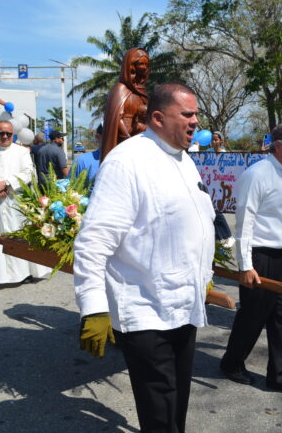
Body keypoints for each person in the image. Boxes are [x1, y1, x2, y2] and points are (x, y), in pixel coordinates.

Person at [73, 83, 215, 432]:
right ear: (157, 117)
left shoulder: (185, 161)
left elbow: (196, 221)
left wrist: (204, 271)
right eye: (187, 114)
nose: (196, 121)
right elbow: (94, 241)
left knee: (177, 398)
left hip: (184, 303)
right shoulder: (127, 162)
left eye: (196, 113)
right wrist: (93, 307)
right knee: (159, 406)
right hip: (145, 308)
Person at [220, 123, 282, 399]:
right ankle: (232, 362)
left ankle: (280, 376)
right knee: (253, 316)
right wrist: (245, 265)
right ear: (279, 144)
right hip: (261, 257)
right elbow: (244, 223)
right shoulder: (257, 174)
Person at [0, 120, 51, 286]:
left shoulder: (21, 152)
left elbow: (28, 172)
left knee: (18, 234)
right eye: (1, 133)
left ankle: (23, 272)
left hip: (14, 201)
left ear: (13, 134)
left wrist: (7, 183)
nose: (5, 136)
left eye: (8, 134)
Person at [100, 47, 149, 162]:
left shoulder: (141, 91)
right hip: (124, 139)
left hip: (140, 137)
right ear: (132, 66)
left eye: (146, 64)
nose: (144, 67)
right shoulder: (120, 89)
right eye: (141, 64)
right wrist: (127, 138)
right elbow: (117, 118)